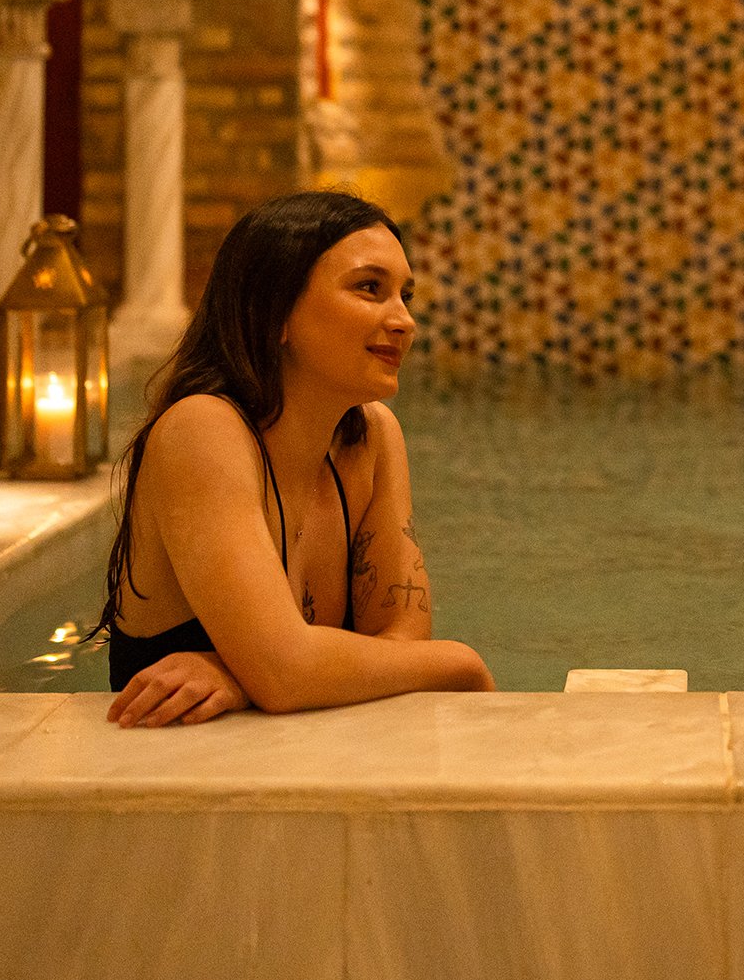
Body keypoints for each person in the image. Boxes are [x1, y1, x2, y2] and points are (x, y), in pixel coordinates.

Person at [94, 190, 494, 726]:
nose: (404, 321)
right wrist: (460, 662)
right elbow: (288, 674)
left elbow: (402, 639)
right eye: (369, 288)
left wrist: (241, 671)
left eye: (405, 295)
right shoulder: (203, 430)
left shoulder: (372, 437)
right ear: (275, 313)